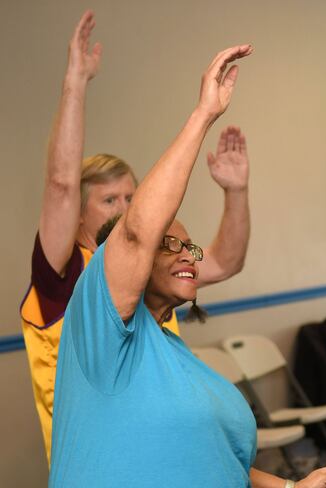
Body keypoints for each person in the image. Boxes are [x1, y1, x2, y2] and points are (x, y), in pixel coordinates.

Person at [47, 24, 326, 488]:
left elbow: (216, 460)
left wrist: (295, 486)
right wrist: (203, 115)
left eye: (189, 246)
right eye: (170, 243)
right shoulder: (98, 318)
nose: (189, 256)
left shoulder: (173, 352)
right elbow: (134, 234)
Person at [21, 11, 251, 464]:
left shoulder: (156, 269)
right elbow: (62, 184)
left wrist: (237, 192)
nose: (127, 210)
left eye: (132, 197)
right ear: (79, 213)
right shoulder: (64, 277)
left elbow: (224, 262)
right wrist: (76, 82)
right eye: (110, 201)